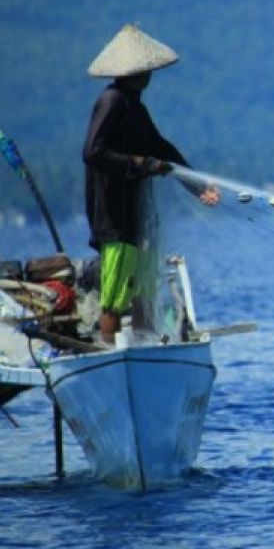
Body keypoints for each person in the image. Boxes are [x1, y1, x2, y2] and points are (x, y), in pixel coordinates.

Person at [82, 23, 219, 346]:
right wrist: (139, 164)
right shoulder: (112, 102)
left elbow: (160, 149)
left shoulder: (136, 108)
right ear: (135, 72)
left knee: (143, 290)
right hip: (114, 218)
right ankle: (111, 353)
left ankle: (144, 348)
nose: (150, 75)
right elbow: (93, 152)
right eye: (147, 70)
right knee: (114, 299)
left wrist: (197, 185)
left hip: (136, 217)